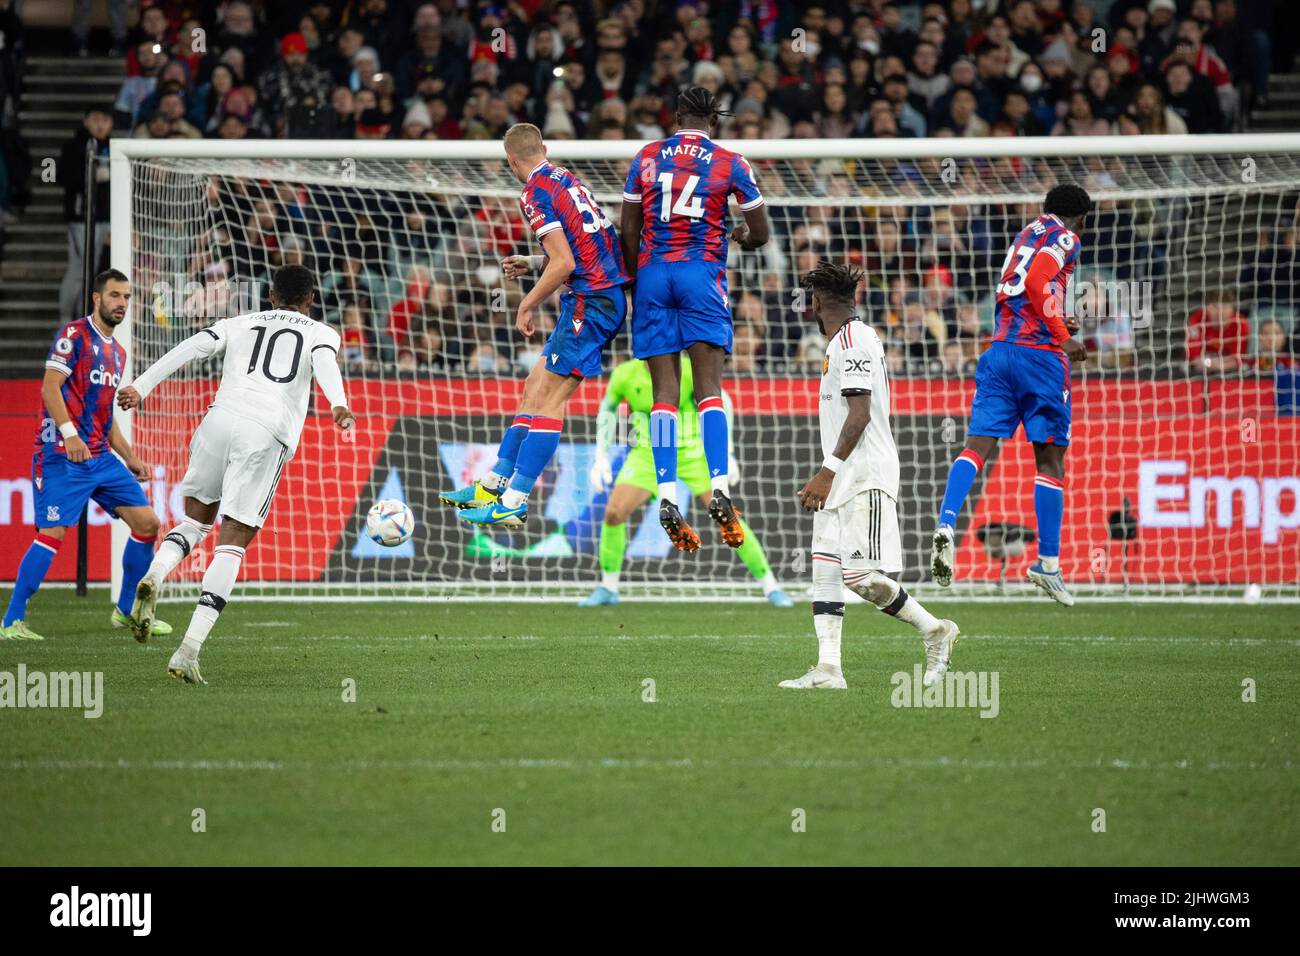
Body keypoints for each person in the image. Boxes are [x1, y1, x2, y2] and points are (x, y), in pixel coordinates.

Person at [115, 265, 354, 683]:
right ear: (311, 299)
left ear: (271, 296)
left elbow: (191, 347)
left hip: (218, 419)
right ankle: (187, 651)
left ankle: (154, 575)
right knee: (233, 541)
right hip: (265, 430)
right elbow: (323, 363)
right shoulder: (321, 332)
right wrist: (337, 402)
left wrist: (141, 385)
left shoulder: (240, 322)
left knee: (194, 522)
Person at [439, 123, 629, 528]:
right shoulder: (565, 178)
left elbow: (565, 263)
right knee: (533, 387)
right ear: (542, 148)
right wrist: (531, 263)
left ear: (511, 160)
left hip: (591, 302)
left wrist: (526, 302)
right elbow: (584, 248)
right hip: (595, 295)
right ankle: (492, 485)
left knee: (549, 401)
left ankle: (515, 498)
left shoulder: (533, 192)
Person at [781, 260, 958, 690]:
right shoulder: (840, 341)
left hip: (866, 474)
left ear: (819, 303)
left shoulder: (855, 340)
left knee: (859, 578)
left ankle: (934, 629)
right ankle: (828, 669)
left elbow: (859, 417)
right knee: (824, 567)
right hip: (842, 476)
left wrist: (826, 472)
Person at [620, 85, 769, 554]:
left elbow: (629, 226)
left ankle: (666, 496)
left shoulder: (646, 155)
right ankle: (720, 489)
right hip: (701, 275)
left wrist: (634, 281)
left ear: (676, 114)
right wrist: (741, 237)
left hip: (653, 273)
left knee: (664, 395)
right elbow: (761, 232)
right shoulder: (730, 161)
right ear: (714, 121)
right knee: (708, 392)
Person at [931, 184, 1092, 606]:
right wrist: (1062, 336)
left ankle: (947, 520)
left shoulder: (1026, 233)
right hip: (1038, 359)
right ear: (1082, 218)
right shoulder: (1066, 237)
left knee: (977, 446)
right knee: (1050, 458)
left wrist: (1058, 319)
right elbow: (1040, 280)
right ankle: (1048, 565)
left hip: (999, 351)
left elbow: (1025, 289)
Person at [2, 270, 167, 642]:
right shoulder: (73, 336)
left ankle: (125, 611)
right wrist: (69, 434)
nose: (121, 303)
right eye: (114, 296)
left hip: (101, 457)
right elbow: (49, 388)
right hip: (62, 453)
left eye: (126, 297)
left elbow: (105, 417)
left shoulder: (118, 352)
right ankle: (12, 620)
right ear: (97, 298)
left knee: (147, 524)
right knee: (53, 532)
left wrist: (130, 456)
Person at [582, 355, 792, 608]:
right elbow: (608, 409)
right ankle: (608, 586)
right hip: (648, 455)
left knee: (727, 518)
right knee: (614, 513)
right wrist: (601, 455)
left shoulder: (687, 368)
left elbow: (721, 400)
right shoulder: (625, 374)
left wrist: (729, 452)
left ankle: (771, 586)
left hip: (692, 452)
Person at [58, 109, 111, 321]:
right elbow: (56, 176)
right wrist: (91, 176)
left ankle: (83, 318)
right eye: (95, 119)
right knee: (79, 268)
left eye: (105, 120)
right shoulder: (73, 146)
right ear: (85, 121)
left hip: (105, 219)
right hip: (81, 218)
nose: (100, 125)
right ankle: (64, 317)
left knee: (95, 271)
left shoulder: (113, 147)